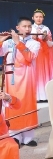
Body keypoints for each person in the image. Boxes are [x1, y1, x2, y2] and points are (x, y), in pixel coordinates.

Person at [0, 17, 41, 146]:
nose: (27, 29)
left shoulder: (35, 43)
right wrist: (1, 41)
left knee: (26, 105)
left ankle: (28, 137)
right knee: (12, 104)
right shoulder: (9, 43)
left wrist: (18, 42)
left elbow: (29, 58)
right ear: (18, 28)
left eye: (29, 26)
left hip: (27, 78)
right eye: (24, 26)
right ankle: (14, 135)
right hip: (11, 79)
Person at [31, 9, 53, 103]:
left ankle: (46, 95)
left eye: (40, 17)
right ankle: (36, 96)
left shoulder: (46, 29)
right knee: (36, 74)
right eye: (36, 17)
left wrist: (45, 39)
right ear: (33, 18)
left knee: (45, 74)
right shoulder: (30, 28)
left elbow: (51, 44)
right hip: (34, 55)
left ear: (43, 18)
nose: (38, 18)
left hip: (45, 56)